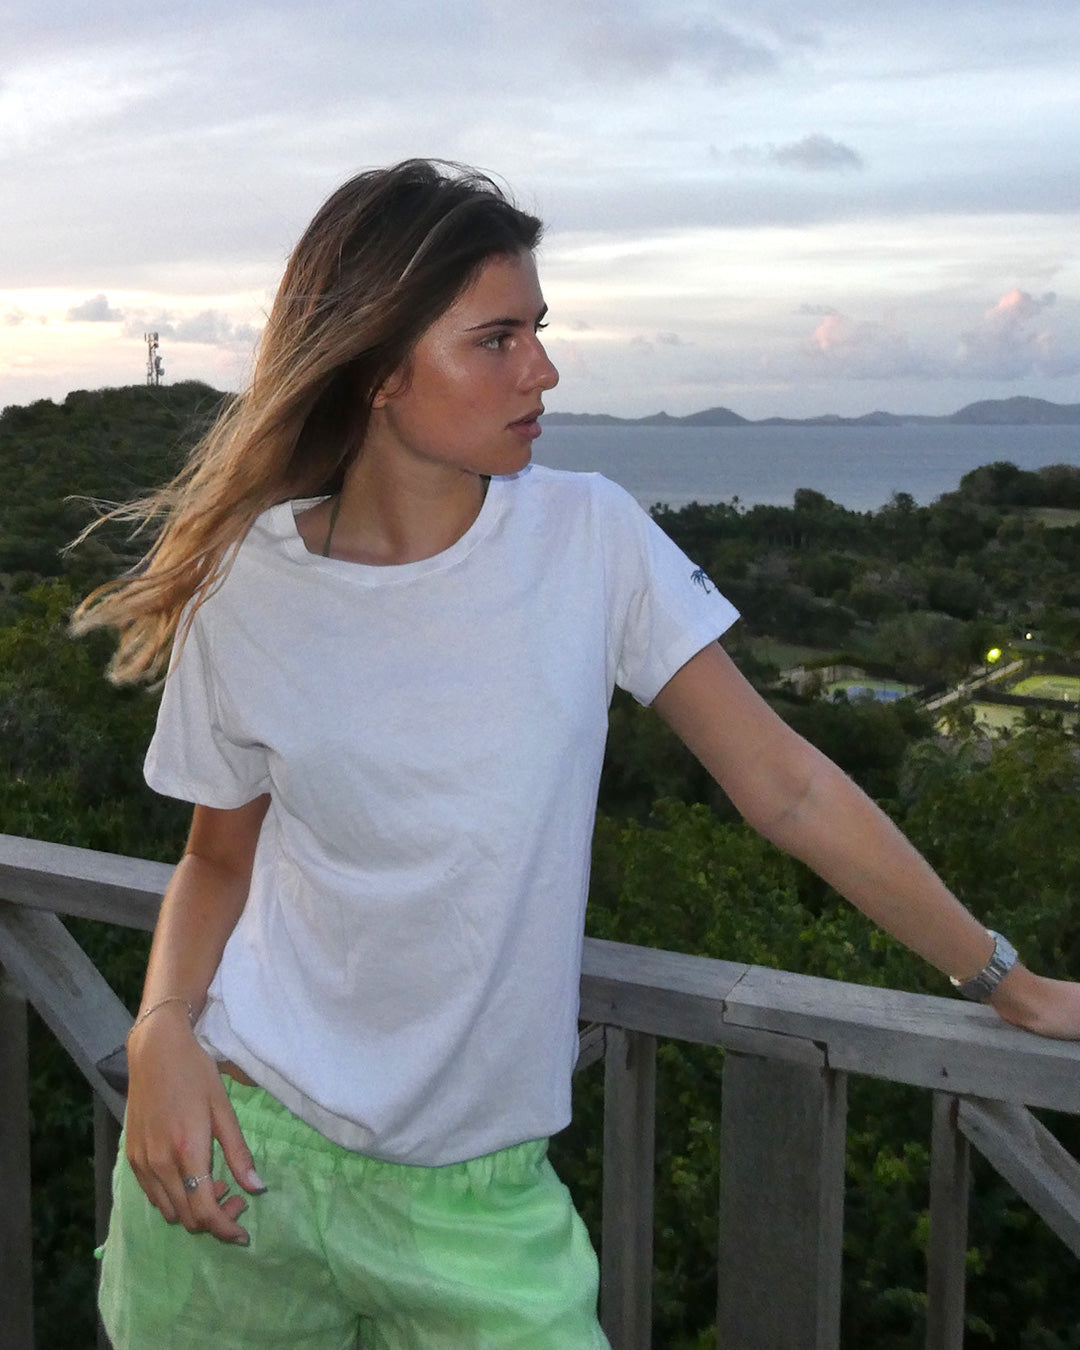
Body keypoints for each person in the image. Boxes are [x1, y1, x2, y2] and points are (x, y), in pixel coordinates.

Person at [77, 159, 1080, 1350]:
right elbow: (217, 862)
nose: (543, 369)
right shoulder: (251, 582)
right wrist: (160, 1030)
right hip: (239, 1161)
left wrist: (1003, 980)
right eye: (497, 340)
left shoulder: (588, 536)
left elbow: (790, 785)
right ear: (381, 370)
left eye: (537, 332)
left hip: (477, 1204)